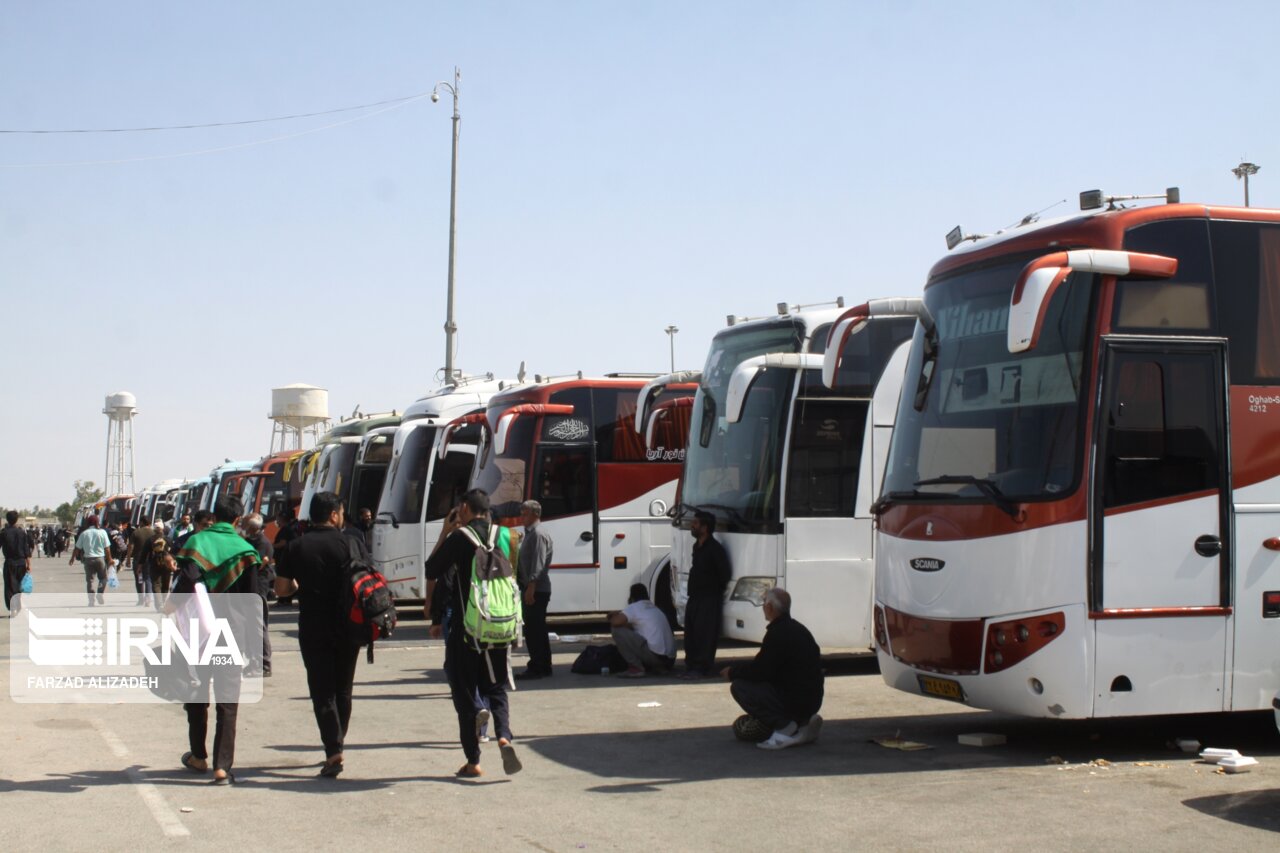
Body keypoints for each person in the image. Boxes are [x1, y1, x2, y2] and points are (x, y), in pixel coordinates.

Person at [424, 489, 522, 778]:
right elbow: (519, 575)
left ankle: (473, 760)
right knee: (497, 686)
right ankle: (504, 735)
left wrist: (445, 530)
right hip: (501, 624)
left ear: (464, 508)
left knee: (463, 687)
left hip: (468, 628)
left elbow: (432, 569)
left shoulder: (460, 538)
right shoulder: (508, 536)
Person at [173, 494, 262, 785]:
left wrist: (169, 608)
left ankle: (198, 755)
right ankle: (222, 767)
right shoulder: (246, 550)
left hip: (199, 632)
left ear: (214, 515)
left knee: (196, 693)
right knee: (228, 701)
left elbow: (186, 583)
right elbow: (253, 602)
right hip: (232, 633)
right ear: (238, 519)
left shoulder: (196, 543)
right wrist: (254, 644)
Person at [274, 492, 363, 778]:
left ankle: (333, 748)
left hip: (313, 625)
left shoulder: (296, 547)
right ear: (335, 514)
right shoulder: (351, 542)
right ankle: (339, 740)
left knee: (322, 690)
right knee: (344, 689)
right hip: (350, 625)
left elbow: (281, 590)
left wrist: (301, 588)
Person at [722, 588, 824, 750]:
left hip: (793, 700)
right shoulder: (800, 629)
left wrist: (732, 672)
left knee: (740, 687)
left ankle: (784, 726)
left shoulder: (778, 633)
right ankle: (802, 723)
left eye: (764, 604)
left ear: (769, 607)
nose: (763, 607)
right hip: (812, 700)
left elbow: (761, 671)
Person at [680, 510, 731, 679]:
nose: (692, 526)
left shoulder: (715, 549)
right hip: (695, 597)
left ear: (705, 527)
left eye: (695, 524)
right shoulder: (697, 546)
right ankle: (691, 666)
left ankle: (702, 668)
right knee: (691, 633)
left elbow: (724, 574)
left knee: (705, 634)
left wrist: (712, 588)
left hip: (709, 598)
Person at [514, 499, 554, 680]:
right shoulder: (530, 534)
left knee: (535, 629)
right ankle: (541, 665)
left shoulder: (538, 534)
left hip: (536, 589)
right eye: (521, 513)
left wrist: (531, 587)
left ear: (536, 514)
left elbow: (538, 564)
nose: (522, 517)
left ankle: (539, 666)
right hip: (533, 587)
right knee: (534, 628)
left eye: (525, 513)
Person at [609, 583, 676, 677]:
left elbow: (615, 622)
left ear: (631, 597)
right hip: (669, 661)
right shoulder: (654, 607)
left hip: (656, 658)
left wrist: (612, 615)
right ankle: (659, 668)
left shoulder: (635, 607)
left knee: (617, 630)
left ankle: (636, 668)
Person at [240, 513, 275, 677]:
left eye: (244, 524)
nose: (242, 527)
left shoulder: (262, 543)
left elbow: (257, 565)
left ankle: (263, 664)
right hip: (249, 589)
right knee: (250, 628)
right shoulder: (249, 541)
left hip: (258, 589)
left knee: (258, 627)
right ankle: (254, 662)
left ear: (253, 527)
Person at [71, 514, 114, 606]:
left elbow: (77, 548)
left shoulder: (84, 533)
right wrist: (110, 559)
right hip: (100, 559)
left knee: (90, 581)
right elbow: (107, 548)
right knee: (103, 578)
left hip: (88, 560)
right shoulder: (102, 532)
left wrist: (72, 558)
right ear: (97, 522)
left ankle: (91, 601)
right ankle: (100, 592)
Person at [2, 510, 33, 615]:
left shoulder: (4, 532)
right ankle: (19, 607)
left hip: (9, 562)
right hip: (21, 563)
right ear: (16, 520)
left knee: (10, 587)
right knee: (20, 586)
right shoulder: (21, 533)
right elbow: (26, 550)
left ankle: (13, 609)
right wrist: (29, 564)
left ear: (7, 520)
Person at [126, 518, 158, 606]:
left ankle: (141, 599)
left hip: (138, 559)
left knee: (139, 579)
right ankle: (148, 598)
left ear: (142, 522)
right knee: (148, 578)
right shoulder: (154, 533)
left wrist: (128, 559)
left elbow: (130, 546)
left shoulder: (136, 532)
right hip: (150, 559)